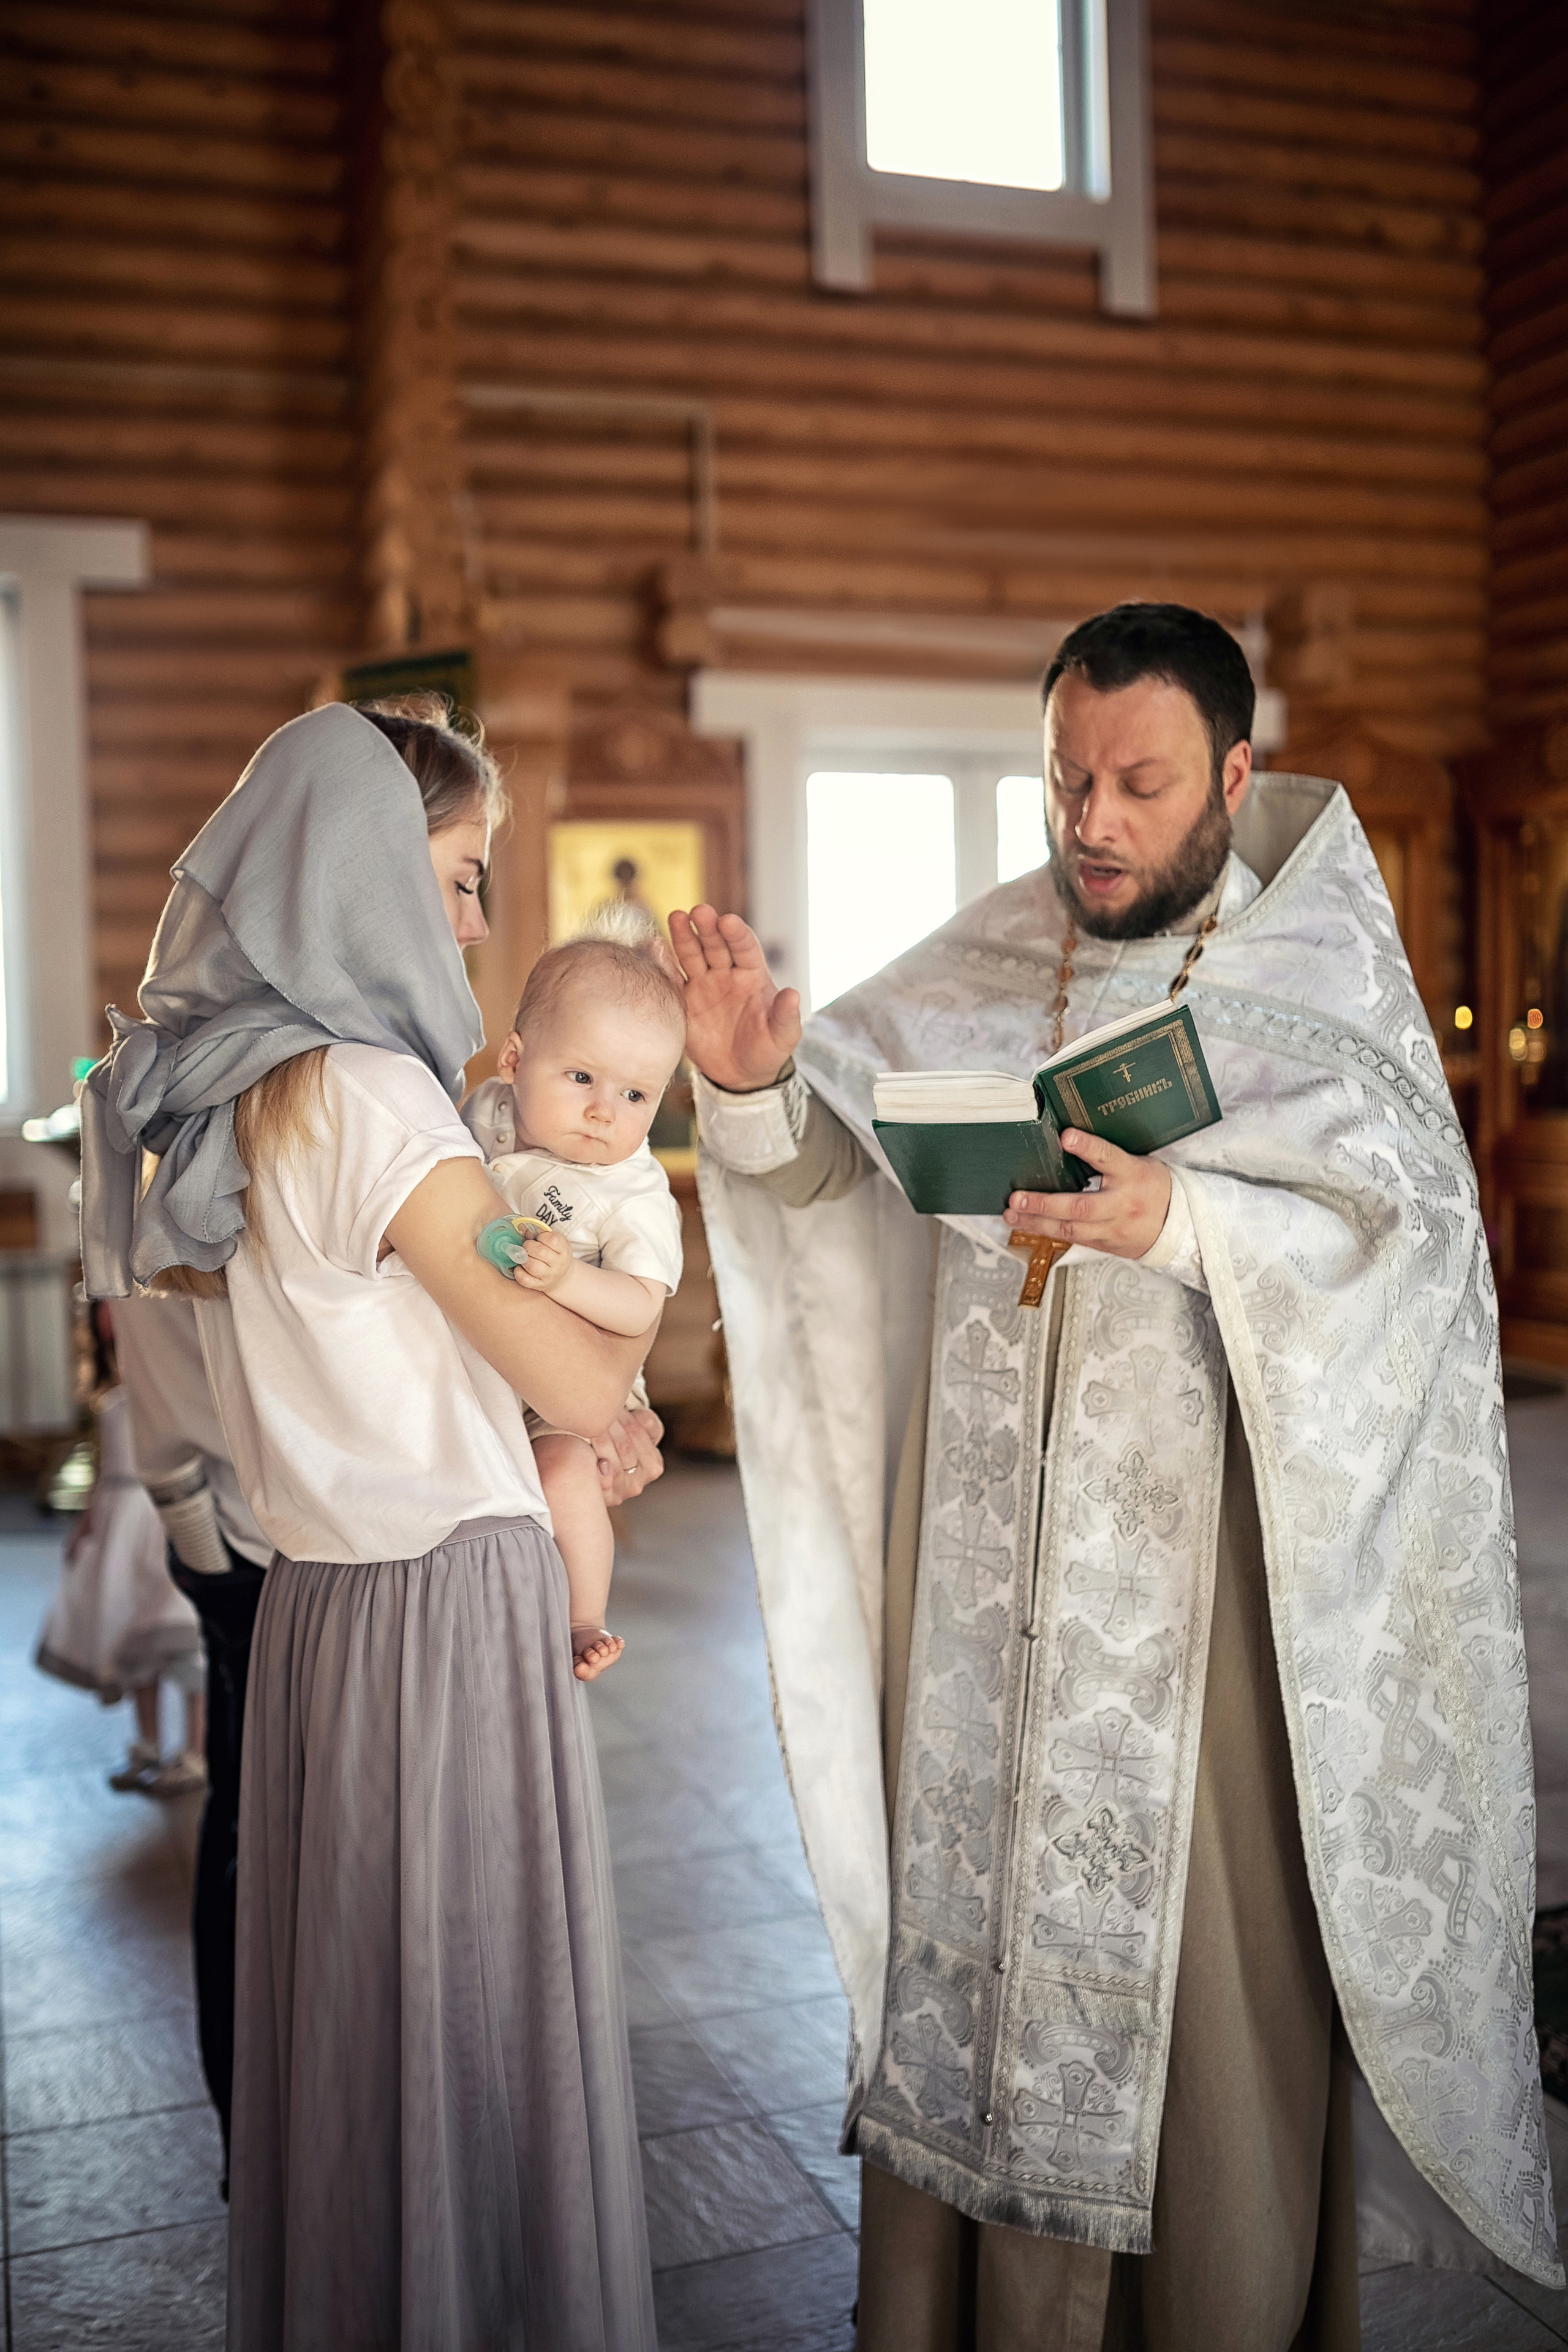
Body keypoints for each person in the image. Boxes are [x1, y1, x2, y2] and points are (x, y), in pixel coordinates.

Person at [674, 601, 1562, 2351]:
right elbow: (844, 1198)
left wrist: (1198, 1221)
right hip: (984, 1599)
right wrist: (765, 1093)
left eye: (1138, 783)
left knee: (1210, 2016)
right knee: (975, 1972)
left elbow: (1411, 1251)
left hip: (1207, 1619)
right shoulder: (987, 954)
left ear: (1234, 774)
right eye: (1066, 777)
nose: (1089, 818)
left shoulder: (1320, 985)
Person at [79, 696, 660, 2352]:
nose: (478, 920)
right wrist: (615, 1364)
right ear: (366, 872)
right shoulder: (383, 1102)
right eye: (463, 875)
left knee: (356, 2025)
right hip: (445, 1605)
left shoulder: (239, 1093)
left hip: (327, 1600)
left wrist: (576, 1405)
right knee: (472, 2021)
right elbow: (564, 1350)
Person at [462, 915, 685, 1681]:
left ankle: (581, 1617)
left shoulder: (632, 1192)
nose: (604, 1112)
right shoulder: (487, 1115)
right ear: (515, 1060)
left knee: (564, 1474)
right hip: (481, 1364)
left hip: (573, 1382)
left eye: (635, 1094)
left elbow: (640, 1306)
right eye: (582, 1078)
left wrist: (569, 1280)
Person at [111, 1286, 273, 2186]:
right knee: (270, 1845)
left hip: (214, 1504)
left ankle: (259, 2144)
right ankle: (272, 2146)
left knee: (247, 1827)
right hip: (262, 1522)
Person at [36, 1298, 208, 1795]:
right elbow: (105, 1471)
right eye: (104, 1309)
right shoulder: (111, 1399)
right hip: (119, 1522)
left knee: (179, 1637)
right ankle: (147, 1745)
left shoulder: (174, 1384)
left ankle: (195, 1752)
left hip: (161, 1519)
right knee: (131, 1638)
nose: (109, 1317)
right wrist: (87, 1525)